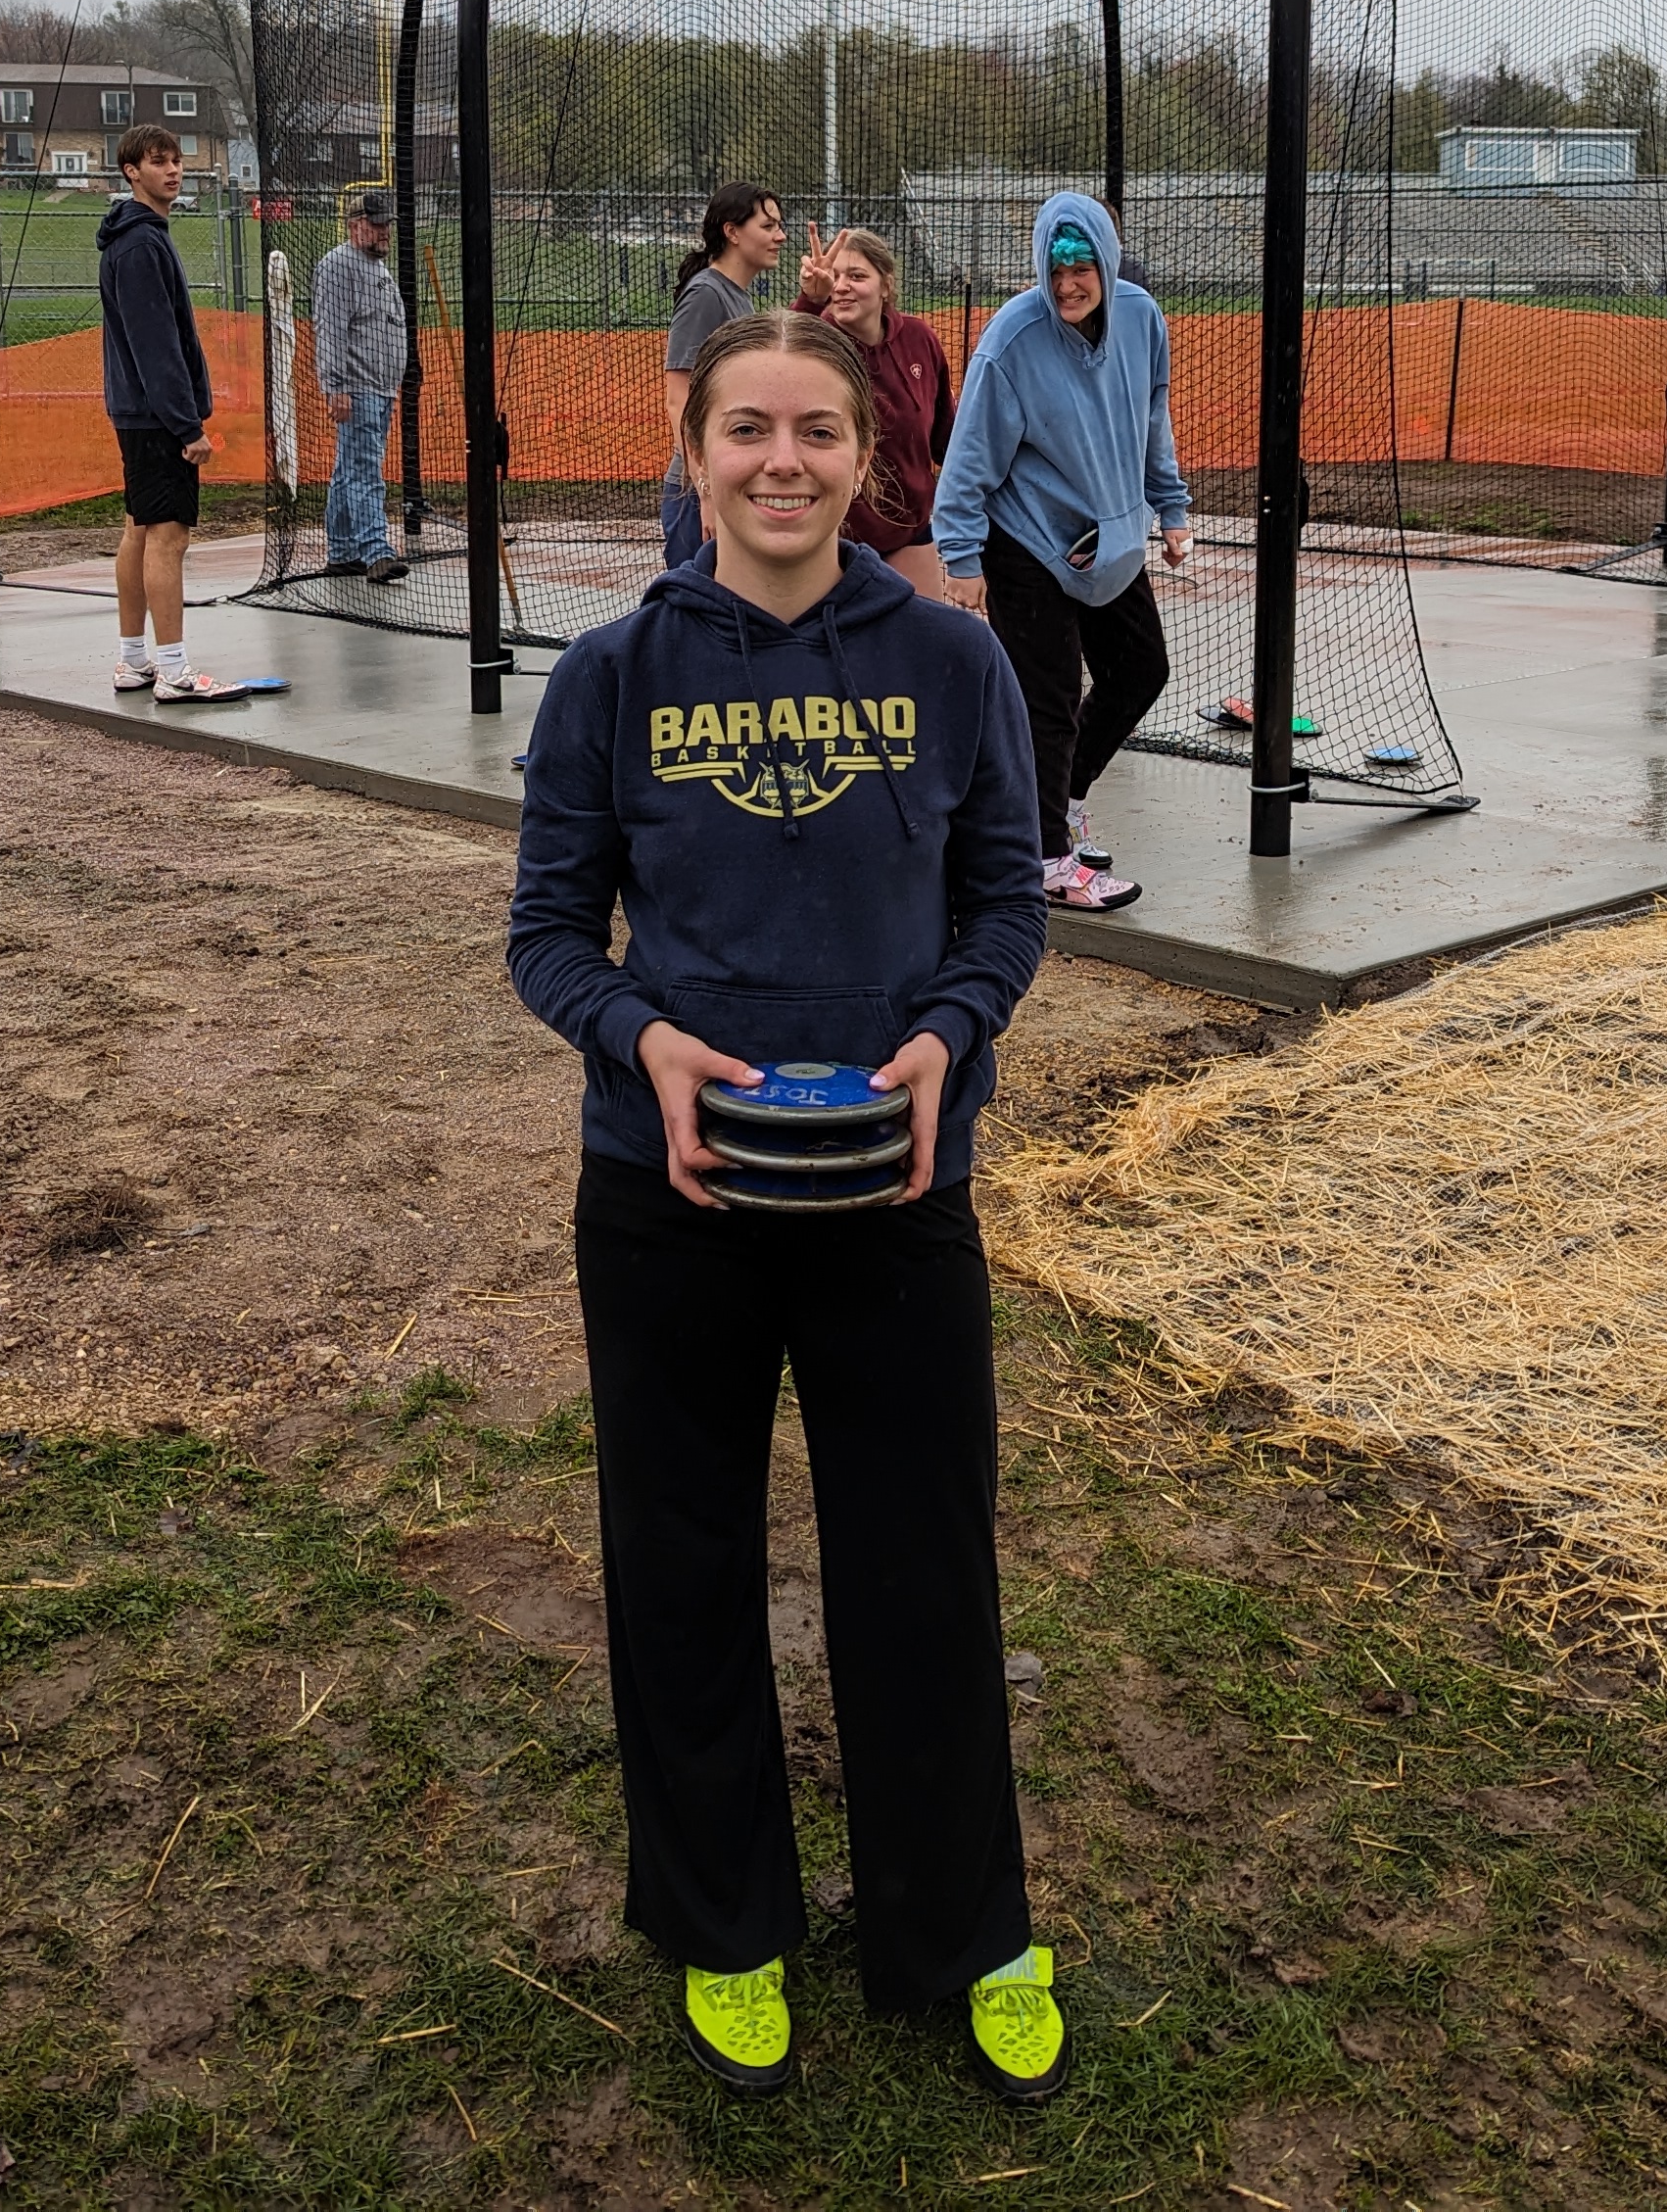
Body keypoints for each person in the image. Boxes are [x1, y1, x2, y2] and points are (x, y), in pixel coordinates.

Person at [508, 307, 1069, 2111]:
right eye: (746, 428)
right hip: (668, 1192)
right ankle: (725, 1925)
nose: (781, 461)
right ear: (693, 452)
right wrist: (646, 1041)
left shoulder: (952, 662)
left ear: (867, 458)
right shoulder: (614, 672)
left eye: (817, 431)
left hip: (899, 1188)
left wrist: (945, 1039)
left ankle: (961, 1927)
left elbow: (1006, 904)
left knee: (923, 1564)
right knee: (680, 1563)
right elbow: (544, 935)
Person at [930, 190, 1187, 915]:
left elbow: (1151, 415)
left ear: (1106, 260)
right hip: (1024, 542)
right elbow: (967, 460)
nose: (1067, 283)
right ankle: (1044, 860)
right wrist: (961, 558)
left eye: (1080, 266)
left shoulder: (1141, 317)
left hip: (1106, 537)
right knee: (1046, 702)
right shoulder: (1011, 341)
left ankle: (1066, 800)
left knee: (1141, 668)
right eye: (1054, 267)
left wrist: (1169, 505)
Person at [95, 126, 256, 701]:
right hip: (155, 418)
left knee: (139, 528)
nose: (172, 170)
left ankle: (134, 661)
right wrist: (186, 426)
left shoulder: (143, 237)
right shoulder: (139, 245)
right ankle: (174, 671)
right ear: (131, 172)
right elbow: (155, 343)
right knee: (168, 535)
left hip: (141, 413)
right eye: (157, 162)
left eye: (176, 161)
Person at [792, 226, 953, 591]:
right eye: (835, 276)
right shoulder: (817, 341)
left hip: (909, 529)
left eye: (857, 276)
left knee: (924, 637)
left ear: (886, 286)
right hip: (833, 535)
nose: (842, 285)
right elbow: (777, 361)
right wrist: (810, 301)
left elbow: (946, 439)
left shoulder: (919, 339)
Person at [657, 182, 785, 569]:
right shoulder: (706, 294)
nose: (780, 236)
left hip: (724, 484)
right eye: (768, 226)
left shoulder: (736, 295)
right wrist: (706, 490)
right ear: (732, 232)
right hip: (696, 494)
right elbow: (679, 398)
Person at [310, 191, 409, 584]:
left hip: (380, 388)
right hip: (358, 387)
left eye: (387, 224)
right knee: (364, 470)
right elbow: (329, 331)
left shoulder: (376, 267)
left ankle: (343, 551)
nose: (385, 231)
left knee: (348, 468)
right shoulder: (339, 267)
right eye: (377, 224)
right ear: (355, 226)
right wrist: (335, 386)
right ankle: (376, 552)